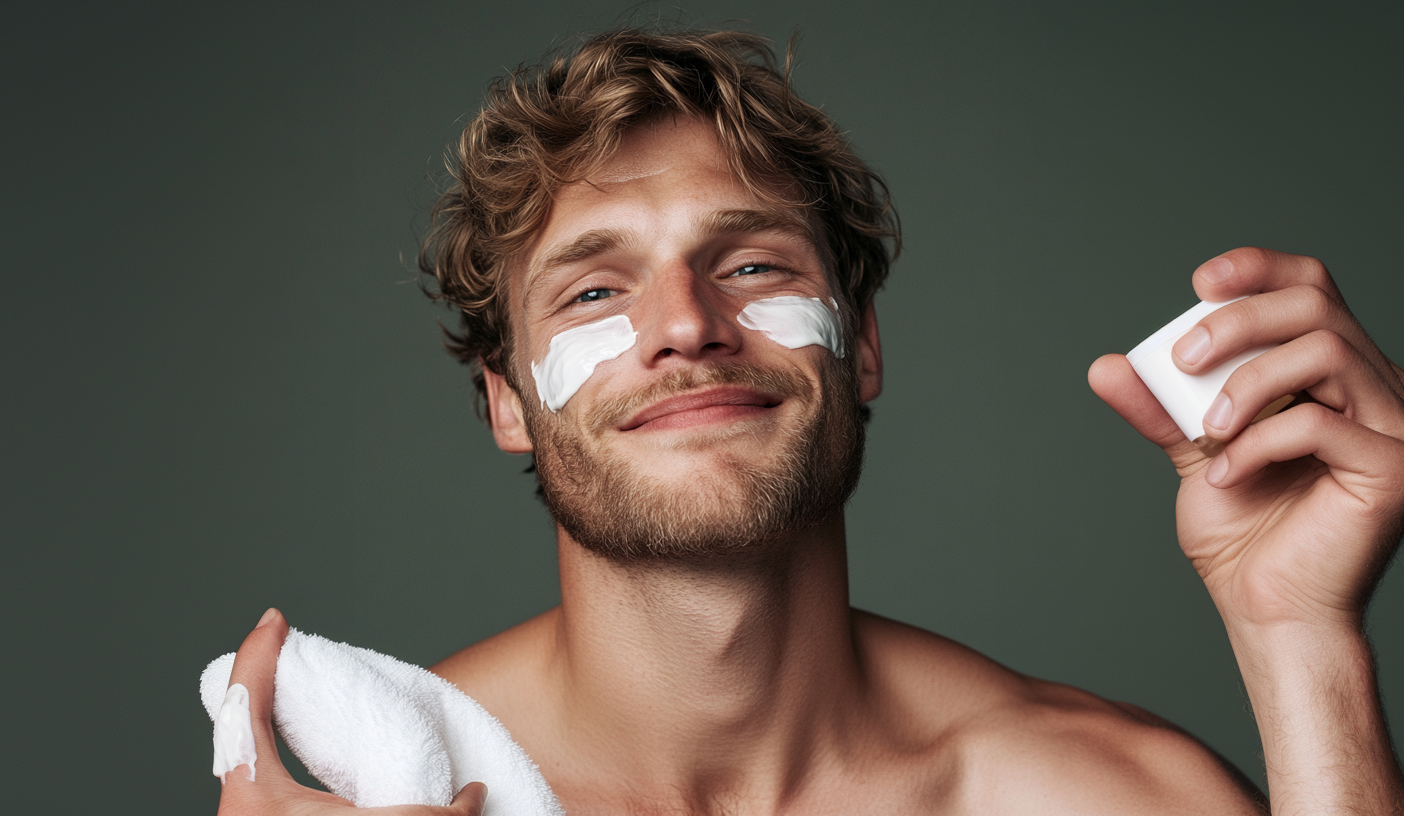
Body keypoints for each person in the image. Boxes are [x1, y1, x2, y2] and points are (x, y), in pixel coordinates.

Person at [213, 28, 1404, 815]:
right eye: (593, 290)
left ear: (863, 346)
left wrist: (1298, 638)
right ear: (507, 404)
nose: (684, 325)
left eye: (750, 266)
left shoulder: (1094, 794)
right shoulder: (369, 792)